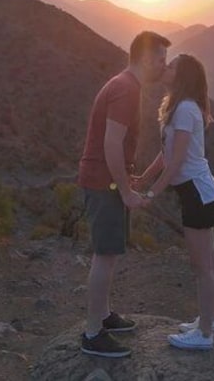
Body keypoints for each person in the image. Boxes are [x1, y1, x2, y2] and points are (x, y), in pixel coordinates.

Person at [78, 31, 171, 358]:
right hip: (104, 183)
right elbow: (110, 144)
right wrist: (128, 190)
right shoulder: (126, 89)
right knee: (104, 255)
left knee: (110, 252)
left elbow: (113, 145)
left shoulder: (124, 85)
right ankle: (92, 334)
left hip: (106, 180)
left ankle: (103, 316)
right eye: (161, 59)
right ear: (146, 58)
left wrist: (126, 179)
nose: (164, 66)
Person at [136, 54, 214, 350]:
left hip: (198, 194)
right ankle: (213, 319)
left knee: (202, 267)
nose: (165, 68)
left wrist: (151, 194)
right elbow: (165, 154)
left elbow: (177, 161)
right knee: (209, 261)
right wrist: (144, 179)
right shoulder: (179, 107)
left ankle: (205, 334)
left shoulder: (185, 109)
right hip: (203, 192)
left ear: (182, 76)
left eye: (172, 66)